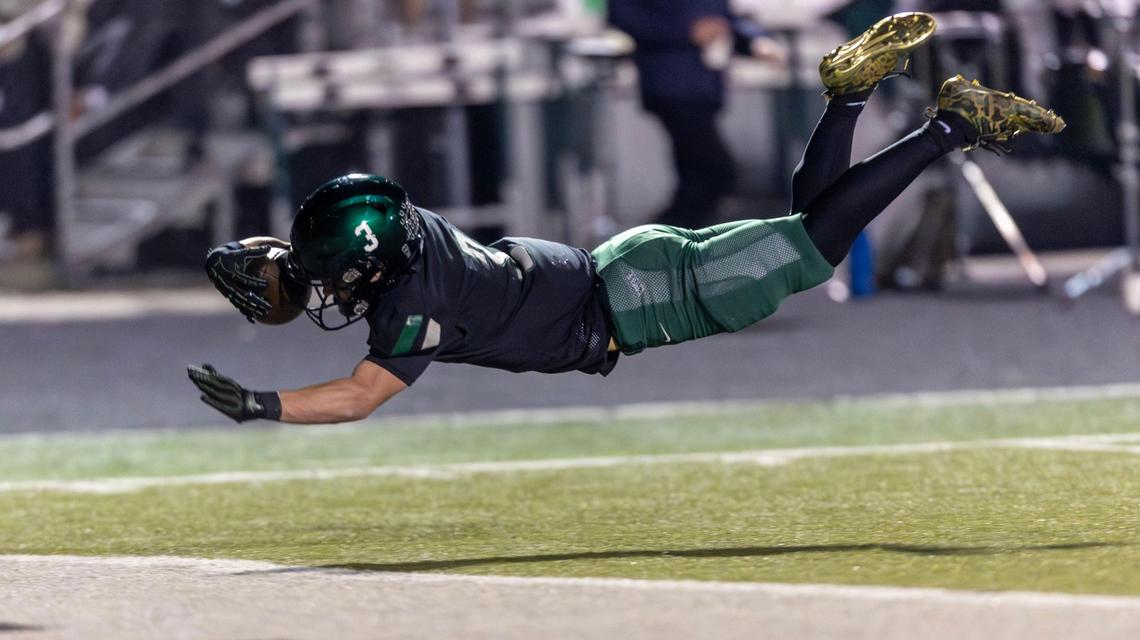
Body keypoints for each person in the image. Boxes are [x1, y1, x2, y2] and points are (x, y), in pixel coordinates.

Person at [188, 13, 1064, 425]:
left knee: (813, 250)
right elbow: (346, 243)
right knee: (804, 226)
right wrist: (302, 268)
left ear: (366, 269)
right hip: (621, 266)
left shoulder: (411, 303)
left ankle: (951, 124)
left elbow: (358, 394)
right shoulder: (411, 234)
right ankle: (849, 96)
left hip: (635, 305)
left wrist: (263, 403)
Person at [608, 0, 784, 229]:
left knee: (695, 176)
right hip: (671, 84)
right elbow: (624, 16)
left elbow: (724, 19)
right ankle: (658, 243)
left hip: (704, 87)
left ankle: (672, 246)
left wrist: (755, 40)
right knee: (714, 171)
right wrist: (686, 30)